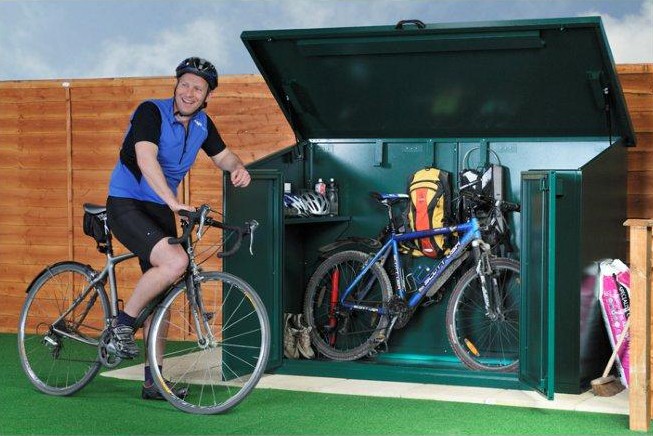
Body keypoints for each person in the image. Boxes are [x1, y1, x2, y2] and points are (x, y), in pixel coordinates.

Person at [105, 56, 251, 400]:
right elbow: (145, 158)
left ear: (206, 96)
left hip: (160, 208)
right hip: (128, 202)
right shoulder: (150, 112)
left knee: (164, 298)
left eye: (197, 88)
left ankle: (153, 381)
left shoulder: (202, 124)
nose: (189, 92)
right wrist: (174, 202)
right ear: (176, 85)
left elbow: (224, 156)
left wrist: (237, 168)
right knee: (174, 263)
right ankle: (121, 326)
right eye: (185, 84)